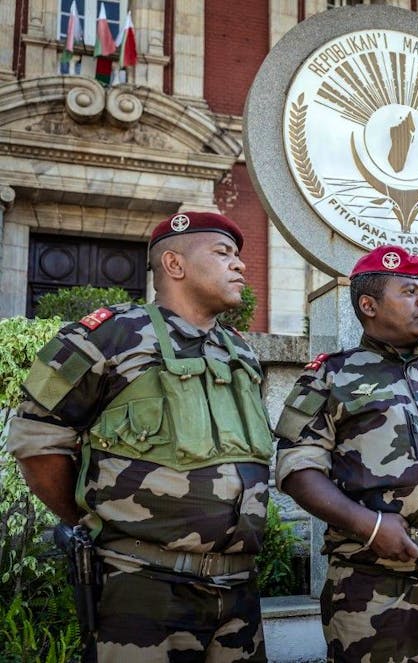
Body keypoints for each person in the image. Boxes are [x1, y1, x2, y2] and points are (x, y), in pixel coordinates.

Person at [5, 211, 272, 662]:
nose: (240, 265)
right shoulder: (106, 337)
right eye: (223, 253)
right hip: (144, 588)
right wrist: (88, 520)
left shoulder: (239, 350)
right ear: (174, 265)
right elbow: (36, 440)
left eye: (239, 256)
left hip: (239, 591)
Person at [274, 244, 418, 662]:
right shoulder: (331, 376)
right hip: (372, 590)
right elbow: (297, 467)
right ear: (369, 305)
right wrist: (369, 524)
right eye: (408, 291)